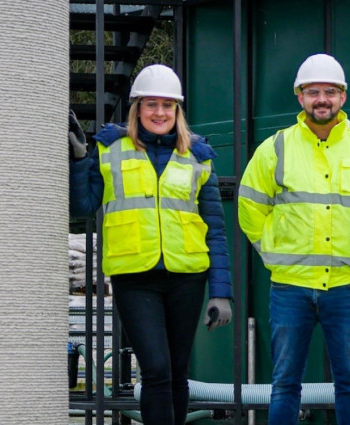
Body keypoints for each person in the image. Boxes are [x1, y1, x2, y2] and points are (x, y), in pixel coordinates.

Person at [238, 53, 350, 425]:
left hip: (347, 285)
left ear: (343, 97)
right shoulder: (275, 148)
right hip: (290, 287)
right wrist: (273, 251)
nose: (321, 99)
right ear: (300, 97)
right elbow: (249, 206)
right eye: (313, 91)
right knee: (284, 385)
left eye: (330, 91)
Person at [68, 64, 233, 425]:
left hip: (187, 277)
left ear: (178, 111)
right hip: (134, 275)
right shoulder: (111, 149)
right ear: (137, 108)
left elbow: (215, 230)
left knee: (175, 372)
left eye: (168, 105)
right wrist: (80, 161)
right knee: (155, 368)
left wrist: (221, 293)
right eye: (151, 104)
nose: (160, 113)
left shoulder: (199, 156)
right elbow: (81, 206)